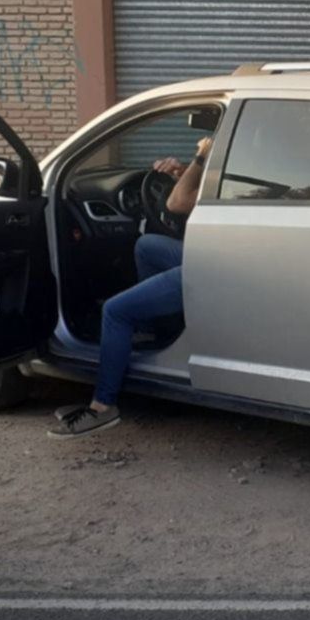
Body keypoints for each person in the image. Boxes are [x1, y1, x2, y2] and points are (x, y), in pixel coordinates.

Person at [50, 136, 212, 438]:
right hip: (207, 253)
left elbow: (176, 203)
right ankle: (154, 329)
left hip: (210, 265)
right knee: (146, 246)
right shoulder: (247, 167)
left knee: (115, 311)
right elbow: (201, 194)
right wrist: (183, 172)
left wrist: (201, 158)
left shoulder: (236, 167)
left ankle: (102, 407)